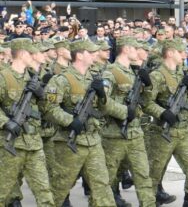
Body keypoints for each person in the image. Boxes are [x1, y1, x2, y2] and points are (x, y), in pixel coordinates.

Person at [43, 40, 116, 207]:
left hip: (93, 140)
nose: (95, 55)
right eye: (91, 52)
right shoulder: (60, 80)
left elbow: (104, 108)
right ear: (80, 55)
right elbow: (49, 108)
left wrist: (102, 95)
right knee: (60, 187)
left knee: (102, 186)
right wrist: (70, 121)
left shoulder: (94, 78)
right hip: (70, 143)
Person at [143, 39, 188, 206]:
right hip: (163, 133)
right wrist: (163, 112)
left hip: (184, 131)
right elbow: (146, 102)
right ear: (170, 53)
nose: (185, 54)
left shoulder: (183, 74)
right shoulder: (157, 76)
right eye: (181, 51)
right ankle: (149, 201)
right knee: (154, 173)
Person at [100, 36, 156, 206]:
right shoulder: (110, 72)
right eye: (135, 48)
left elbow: (145, 102)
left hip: (135, 133)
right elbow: (102, 102)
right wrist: (125, 111)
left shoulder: (133, 72)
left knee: (143, 176)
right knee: (107, 179)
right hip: (114, 135)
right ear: (125, 49)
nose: (138, 51)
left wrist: (148, 85)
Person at [0, 38, 55, 207]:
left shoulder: (33, 78)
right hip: (10, 144)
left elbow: (46, 110)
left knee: (44, 191)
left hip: (33, 143)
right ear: (23, 54)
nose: (35, 56)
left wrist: (41, 94)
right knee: (3, 191)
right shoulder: (3, 77)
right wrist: (5, 122)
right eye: (32, 53)